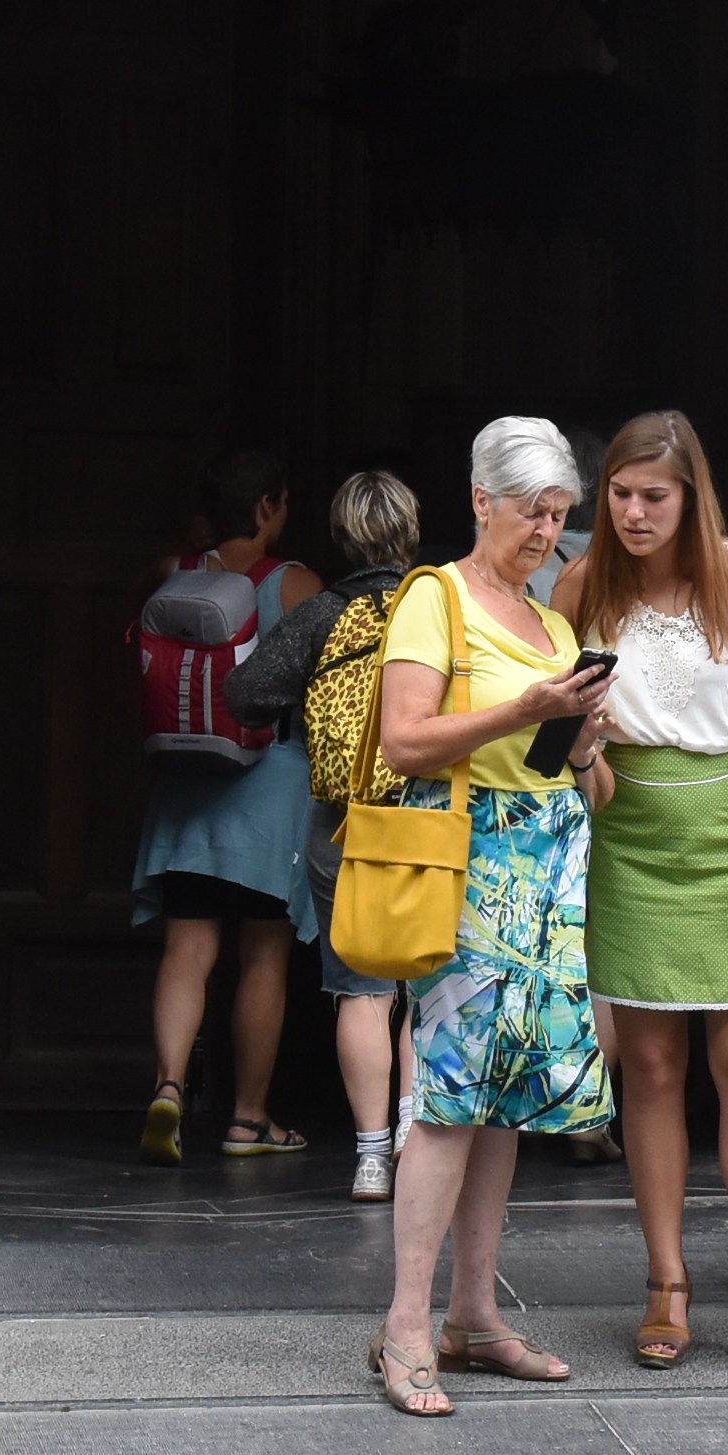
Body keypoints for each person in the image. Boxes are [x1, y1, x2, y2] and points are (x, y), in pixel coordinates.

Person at [364, 417, 617, 1416]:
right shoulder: (437, 600)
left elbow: (590, 790)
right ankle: (403, 1326)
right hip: (468, 867)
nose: (548, 535)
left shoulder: (553, 625)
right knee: (448, 1095)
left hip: (549, 867)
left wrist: (587, 735)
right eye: (531, 514)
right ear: (479, 501)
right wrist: (522, 712)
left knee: (509, 1094)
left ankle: (473, 1314)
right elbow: (404, 740)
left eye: (560, 517)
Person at [562, 413, 728, 1373]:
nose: (631, 513)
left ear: (692, 497)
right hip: (629, 840)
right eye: (619, 495)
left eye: (652, 497)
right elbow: (575, 728)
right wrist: (585, 756)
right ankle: (666, 1279)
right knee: (653, 1071)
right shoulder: (585, 584)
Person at [130, 451, 324, 1167]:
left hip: (186, 787)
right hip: (270, 789)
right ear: (270, 506)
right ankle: (248, 1120)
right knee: (264, 956)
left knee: (188, 946)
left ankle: (170, 1087)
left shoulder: (168, 574)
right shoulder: (296, 584)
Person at [236, 469, 425, 1202]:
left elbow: (247, 697)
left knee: (361, 990)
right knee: (430, 982)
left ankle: (371, 1155)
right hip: (430, 812)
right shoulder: (437, 609)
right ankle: (416, 1126)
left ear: (341, 538)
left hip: (342, 818)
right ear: (410, 533)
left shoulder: (321, 614)